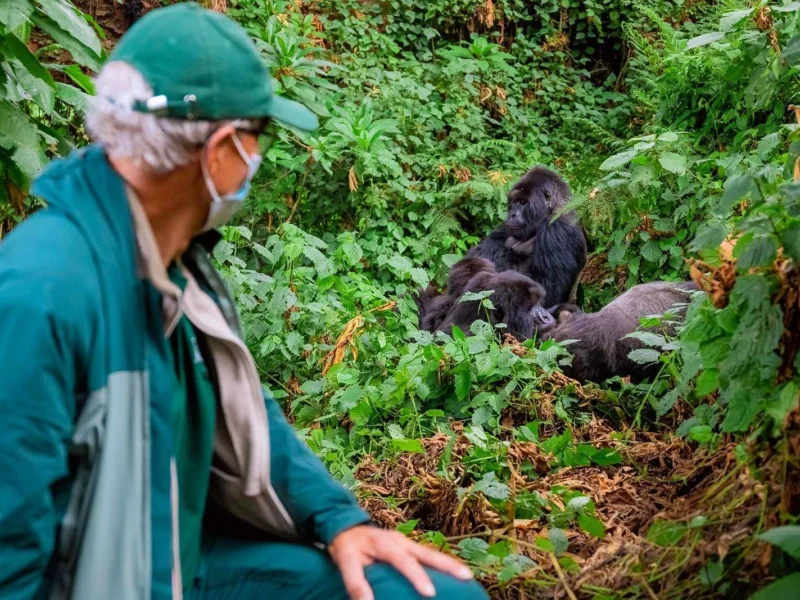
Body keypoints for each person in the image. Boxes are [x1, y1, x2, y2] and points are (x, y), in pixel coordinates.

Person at [0, 4, 488, 600]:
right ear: (223, 149)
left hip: (182, 553)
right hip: (113, 577)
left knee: (437, 594)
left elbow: (245, 412)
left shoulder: (174, 258)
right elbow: (10, 551)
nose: (258, 159)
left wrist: (338, 520)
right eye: (261, 138)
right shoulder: (41, 291)